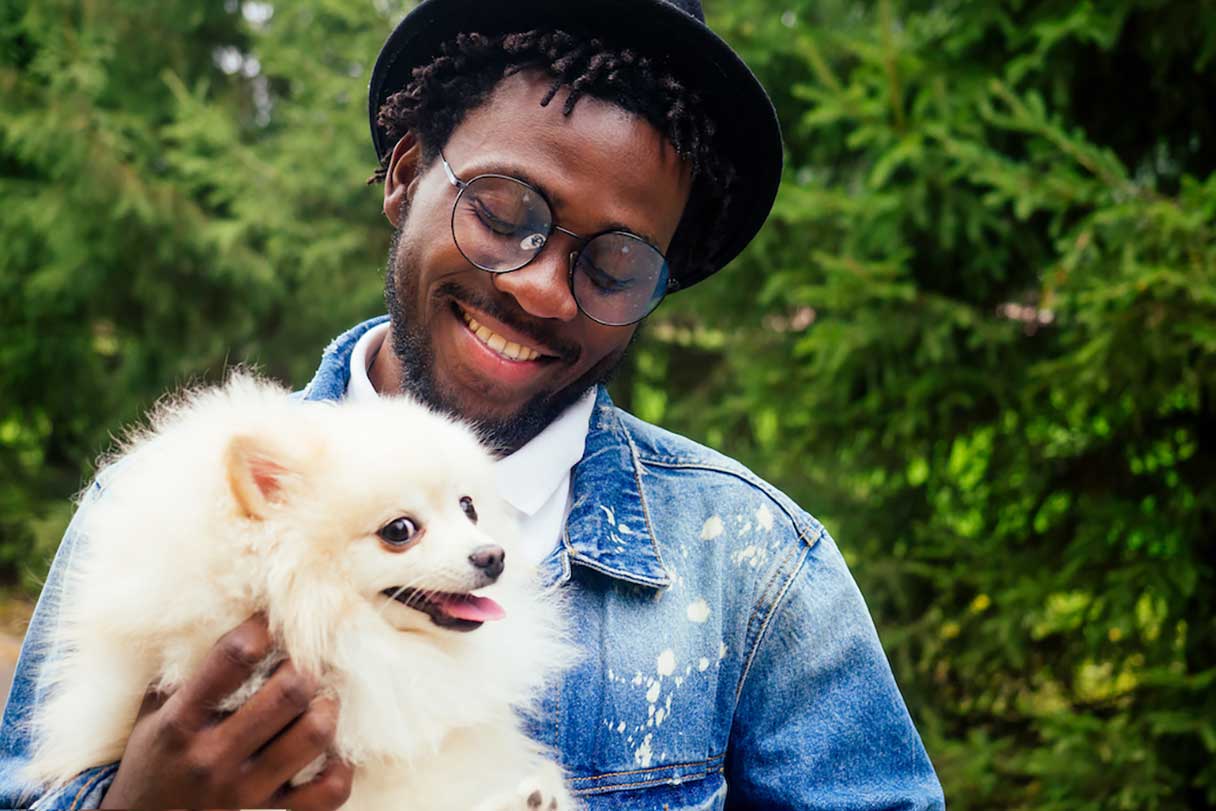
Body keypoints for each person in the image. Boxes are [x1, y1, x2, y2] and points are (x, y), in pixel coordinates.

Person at [0, 0, 946, 808]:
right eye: (503, 212)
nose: (541, 288)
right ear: (407, 173)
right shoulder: (164, 517)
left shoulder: (755, 567)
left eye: (614, 265)